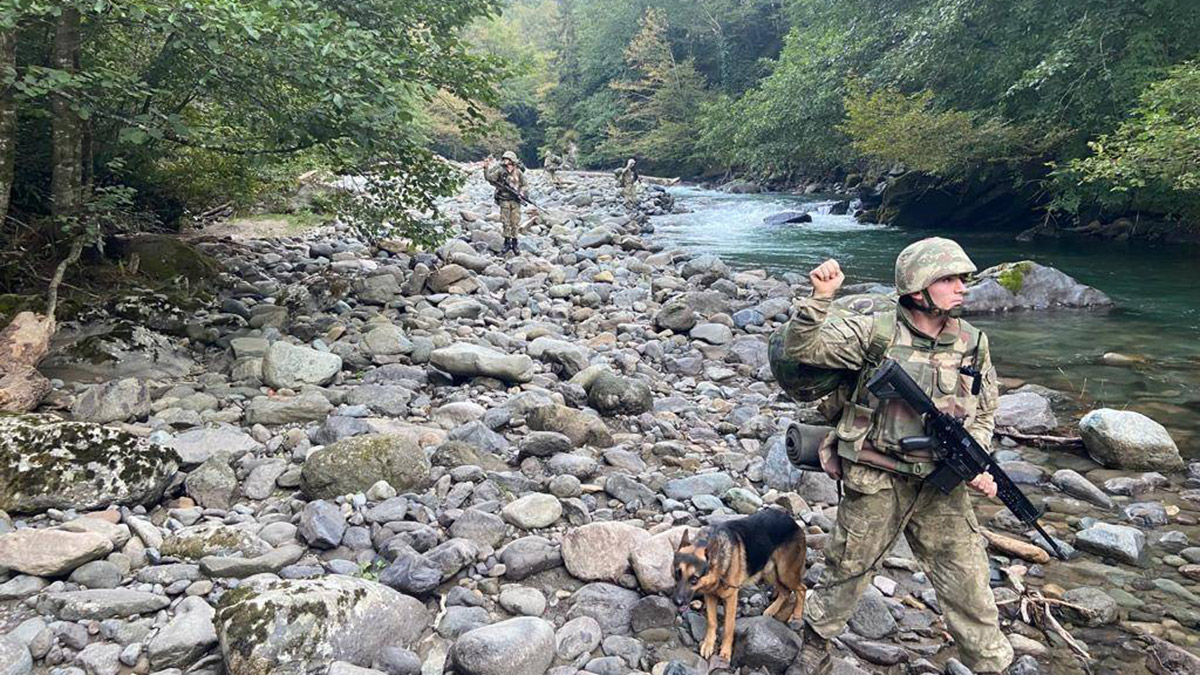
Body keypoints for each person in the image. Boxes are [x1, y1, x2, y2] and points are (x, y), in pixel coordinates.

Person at [782, 237, 1014, 674]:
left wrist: (976, 461)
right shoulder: (877, 331)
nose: (961, 287)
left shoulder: (972, 342)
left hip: (939, 483)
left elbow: (984, 409)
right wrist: (820, 300)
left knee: (968, 579)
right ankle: (816, 643)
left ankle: (992, 664)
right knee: (848, 566)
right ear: (918, 287)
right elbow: (802, 349)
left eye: (962, 278)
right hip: (876, 473)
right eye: (948, 279)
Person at [484, 151, 529, 255]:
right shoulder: (500, 170)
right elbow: (490, 178)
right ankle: (507, 242)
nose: (505, 161)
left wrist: (521, 192)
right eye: (504, 159)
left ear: (512, 161)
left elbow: (525, 184)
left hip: (515, 200)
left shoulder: (518, 172)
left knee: (515, 222)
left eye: (507, 159)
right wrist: (486, 168)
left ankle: (515, 242)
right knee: (505, 222)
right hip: (504, 199)